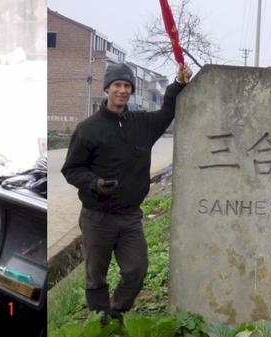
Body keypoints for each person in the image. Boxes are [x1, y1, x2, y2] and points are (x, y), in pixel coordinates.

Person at [61, 63, 192, 322]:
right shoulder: (88, 129)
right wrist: (95, 183)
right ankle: (100, 322)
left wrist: (178, 83)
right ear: (107, 88)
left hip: (130, 216)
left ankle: (117, 312)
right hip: (97, 216)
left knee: (137, 269)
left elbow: (168, 110)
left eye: (127, 86)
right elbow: (71, 169)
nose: (122, 91)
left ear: (131, 91)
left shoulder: (142, 124)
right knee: (95, 274)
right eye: (117, 85)